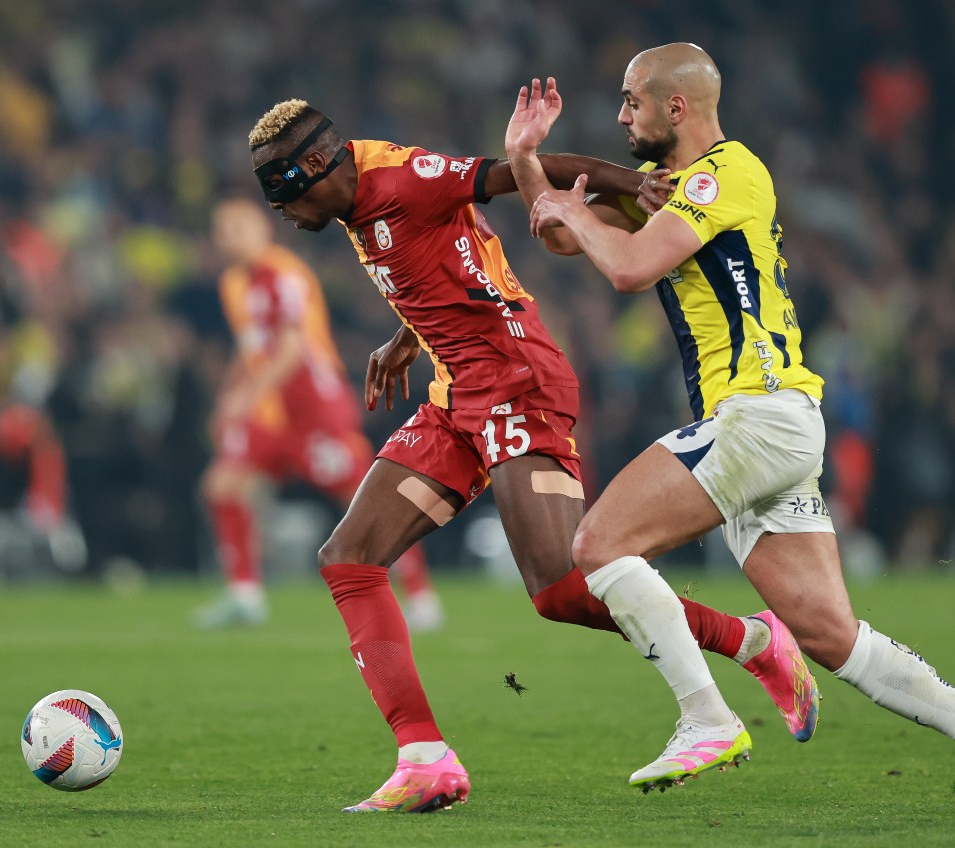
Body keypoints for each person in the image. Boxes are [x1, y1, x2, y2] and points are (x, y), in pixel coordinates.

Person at [507, 45, 955, 821]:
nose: (622, 116)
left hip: (756, 415)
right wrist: (526, 161)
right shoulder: (675, 191)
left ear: (677, 108)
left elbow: (624, 268)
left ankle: (706, 717)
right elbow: (564, 235)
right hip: (778, 425)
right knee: (830, 633)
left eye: (632, 102)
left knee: (596, 547)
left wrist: (572, 210)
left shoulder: (725, 174)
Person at [246, 97, 820, 812]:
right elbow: (455, 246)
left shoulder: (404, 176)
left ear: (314, 168)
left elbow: (519, 174)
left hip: (518, 382)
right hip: (458, 397)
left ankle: (751, 641)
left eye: (278, 187)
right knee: (349, 558)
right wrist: (408, 333)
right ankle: (424, 758)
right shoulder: (360, 195)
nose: (276, 208)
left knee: (559, 588)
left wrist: (625, 182)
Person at [196, 198, 442, 631]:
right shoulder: (233, 283)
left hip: (315, 411)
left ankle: (421, 596)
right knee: (223, 485)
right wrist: (230, 397)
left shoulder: (284, 274)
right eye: (222, 229)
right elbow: (254, 349)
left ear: (262, 230)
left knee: (367, 501)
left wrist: (244, 399)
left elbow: (291, 350)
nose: (229, 237)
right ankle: (245, 595)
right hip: (273, 414)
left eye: (238, 226)